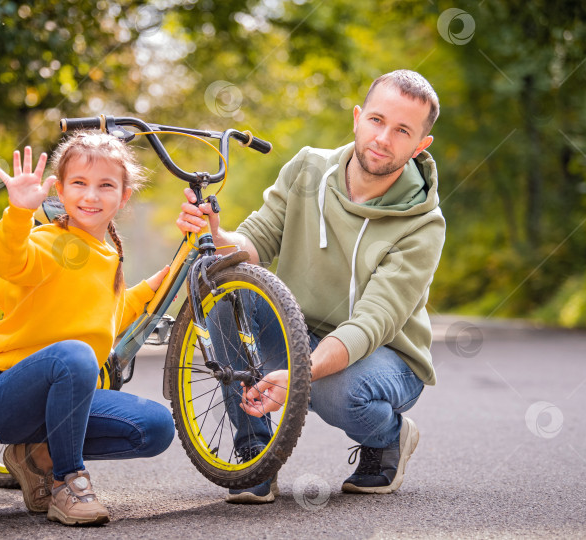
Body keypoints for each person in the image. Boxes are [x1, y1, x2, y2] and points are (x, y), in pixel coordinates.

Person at [177, 70, 445, 503]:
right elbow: (257, 241)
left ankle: (389, 438)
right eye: (376, 120)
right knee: (228, 304)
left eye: (402, 131)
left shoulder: (423, 225)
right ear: (358, 118)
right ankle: (254, 452)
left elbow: (371, 324)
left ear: (419, 146)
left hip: (385, 355)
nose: (383, 138)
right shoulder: (307, 167)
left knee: (334, 388)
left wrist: (300, 373)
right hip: (299, 328)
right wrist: (219, 235)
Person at [0, 132, 175, 525]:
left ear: (124, 196)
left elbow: (107, 313)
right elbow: (10, 263)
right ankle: (67, 481)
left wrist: (152, 288)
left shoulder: (110, 255)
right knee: (75, 354)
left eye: (105, 186)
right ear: (60, 190)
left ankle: (36, 455)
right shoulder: (50, 240)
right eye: (79, 183)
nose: (91, 196)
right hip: (0, 398)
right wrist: (19, 213)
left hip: (60, 400)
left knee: (156, 427)